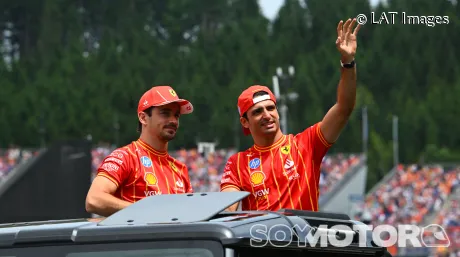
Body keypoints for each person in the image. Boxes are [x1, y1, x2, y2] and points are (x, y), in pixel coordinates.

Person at [220, 18, 360, 212]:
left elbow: (344, 108)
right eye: (258, 112)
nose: (267, 115)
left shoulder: (307, 144)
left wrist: (348, 63)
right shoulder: (237, 164)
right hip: (263, 242)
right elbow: (227, 209)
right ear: (245, 122)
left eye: (270, 108)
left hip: (304, 242)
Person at [86, 85, 194, 217]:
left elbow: (190, 216)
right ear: (143, 118)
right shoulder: (125, 157)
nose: (173, 120)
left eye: (176, 115)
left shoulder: (180, 169)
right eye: (165, 113)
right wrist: (144, 212)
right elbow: (94, 200)